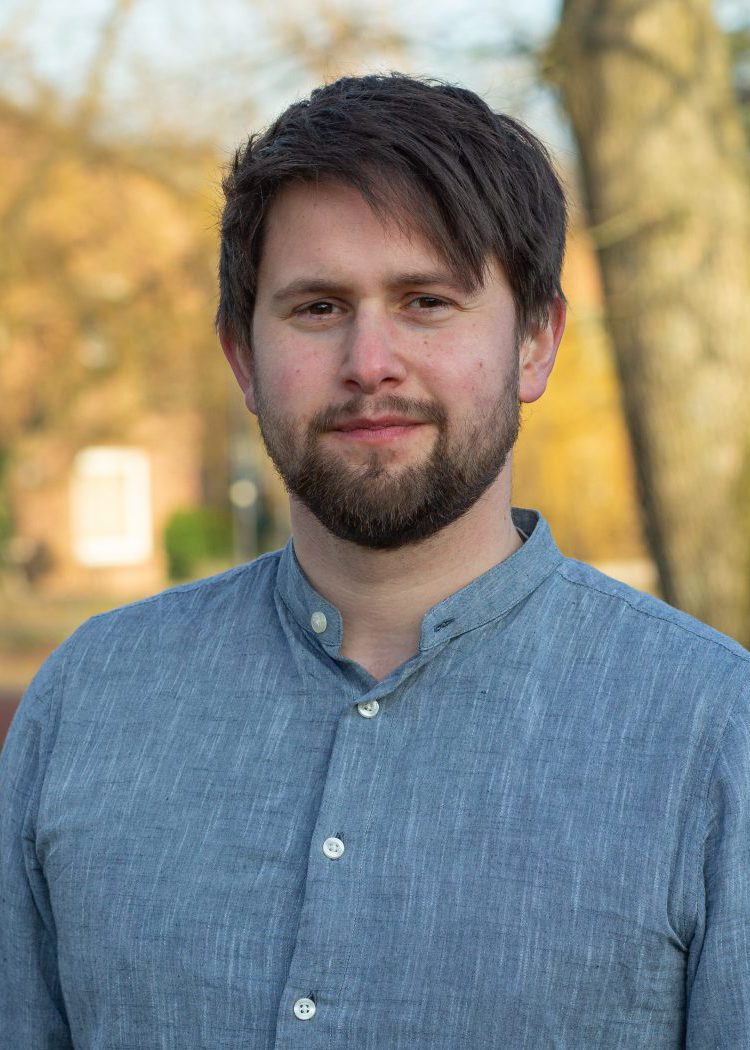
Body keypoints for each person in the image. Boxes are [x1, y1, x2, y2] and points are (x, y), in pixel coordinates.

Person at [1, 73, 748, 1050]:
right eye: (318, 307)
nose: (369, 362)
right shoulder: (86, 704)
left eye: (426, 301)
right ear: (243, 359)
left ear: (535, 342)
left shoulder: (713, 735)